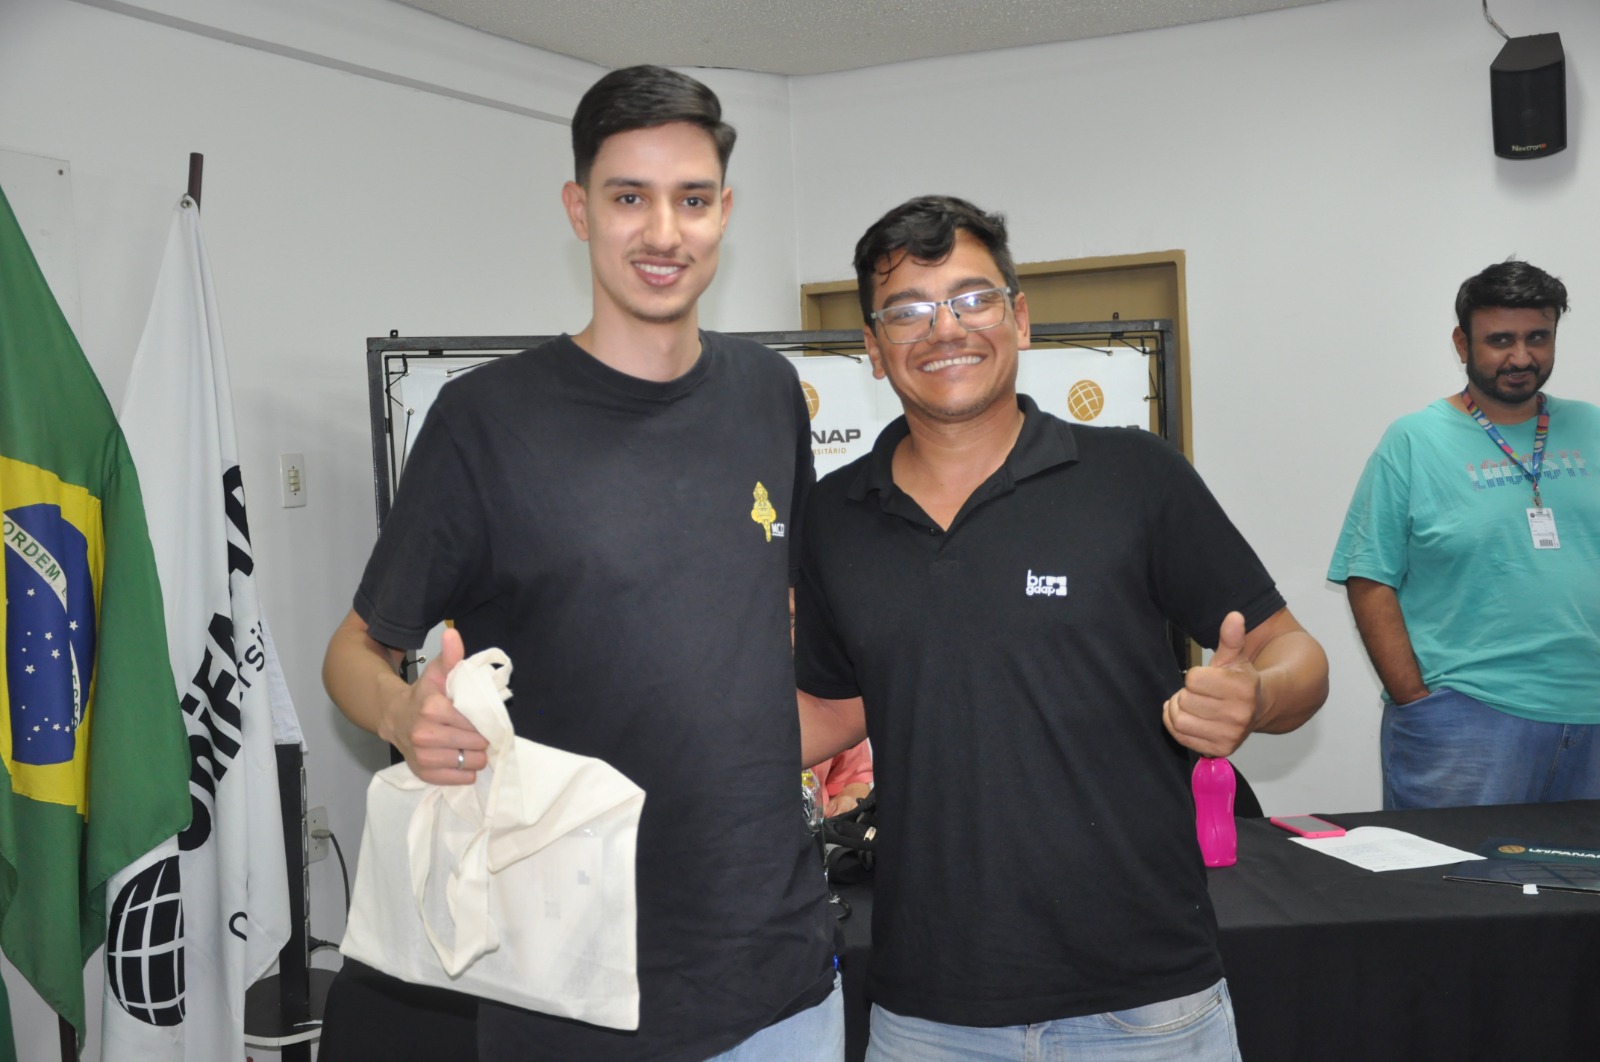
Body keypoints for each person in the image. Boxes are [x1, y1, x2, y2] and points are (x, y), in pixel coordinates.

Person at [323, 65, 839, 1062]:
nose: (664, 232)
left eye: (692, 199)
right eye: (629, 198)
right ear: (578, 209)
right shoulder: (485, 422)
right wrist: (398, 715)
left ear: (725, 212)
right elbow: (354, 650)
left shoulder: (768, 394)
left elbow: (776, 622)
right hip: (566, 991)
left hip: (778, 986)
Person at [793, 195, 1328, 1062]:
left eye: (972, 299)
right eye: (908, 310)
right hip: (930, 1010)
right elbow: (829, 707)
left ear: (1020, 318)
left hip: (1144, 1003)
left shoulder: (1134, 477)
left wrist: (1257, 696)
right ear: (874, 347)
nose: (945, 329)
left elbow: (1296, 654)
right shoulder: (833, 516)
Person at [1329, 260, 1600, 810]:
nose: (1521, 357)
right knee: (1452, 869)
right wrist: (1417, 701)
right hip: (1468, 719)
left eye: (1538, 337)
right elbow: (1368, 577)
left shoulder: (1592, 427)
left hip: (1593, 712)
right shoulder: (1414, 441)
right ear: (1462, 342)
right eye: (1500, 340)